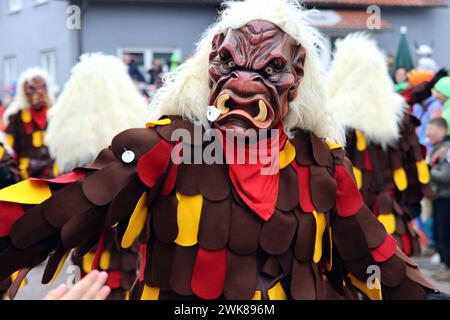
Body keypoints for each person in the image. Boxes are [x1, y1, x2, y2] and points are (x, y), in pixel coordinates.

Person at [0, 0, 441, 300]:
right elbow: (52, 209)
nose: (244, 83)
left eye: (270, 68)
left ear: (298, 75)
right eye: (229, 63)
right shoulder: (164, 147)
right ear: (209, 63)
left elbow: (377, 263)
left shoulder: (322, 163)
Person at [44, 52, 148, 300]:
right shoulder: (134, 133)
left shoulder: (69, 138)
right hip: (112, 236)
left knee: (95, 284)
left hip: (97, 235)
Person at [327, 33, 434, 257]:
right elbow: (413, 167)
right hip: (389, 208)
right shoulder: (397, 111)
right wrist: (409, 203)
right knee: (391, 269)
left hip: (346, 211)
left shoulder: (331, 114)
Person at [2, 68, 56, 179]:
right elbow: (9, 151)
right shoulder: (16, 117)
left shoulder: (55, 115)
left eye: (43, 86)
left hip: (54, 175)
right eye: (32, 88)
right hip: (27, 177)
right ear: (24, 92)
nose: (40, 92)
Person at [426, 117, 450, 281]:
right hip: (438, 196)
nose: (428, 132)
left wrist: (428, 169)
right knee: (439, 232)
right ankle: (445, 265)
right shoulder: (436, 147)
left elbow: (446, 175)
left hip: (446, 198)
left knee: (445, 233)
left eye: (431, 129)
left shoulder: (446, 149)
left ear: (442, 130)